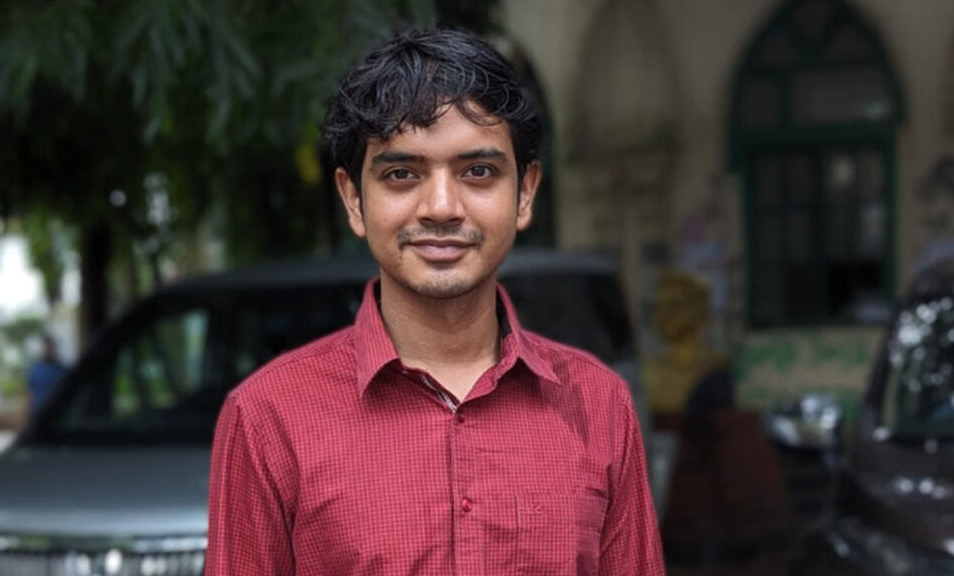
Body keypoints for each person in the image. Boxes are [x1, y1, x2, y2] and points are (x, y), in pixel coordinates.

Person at [207, 28, 664, 575]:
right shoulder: (267, 418)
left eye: (478, 172)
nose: (442, 207)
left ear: (524, 193)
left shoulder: (599, 405)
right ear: (353, 199)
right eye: (402, 174)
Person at [26, 334, 65, 415]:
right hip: (39, 412)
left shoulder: (61, 369)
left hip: (57, 412)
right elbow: (30, 394)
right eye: (46, 347)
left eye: (50, 347)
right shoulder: (34, 369)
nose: (48, 350)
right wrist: (29, 413)